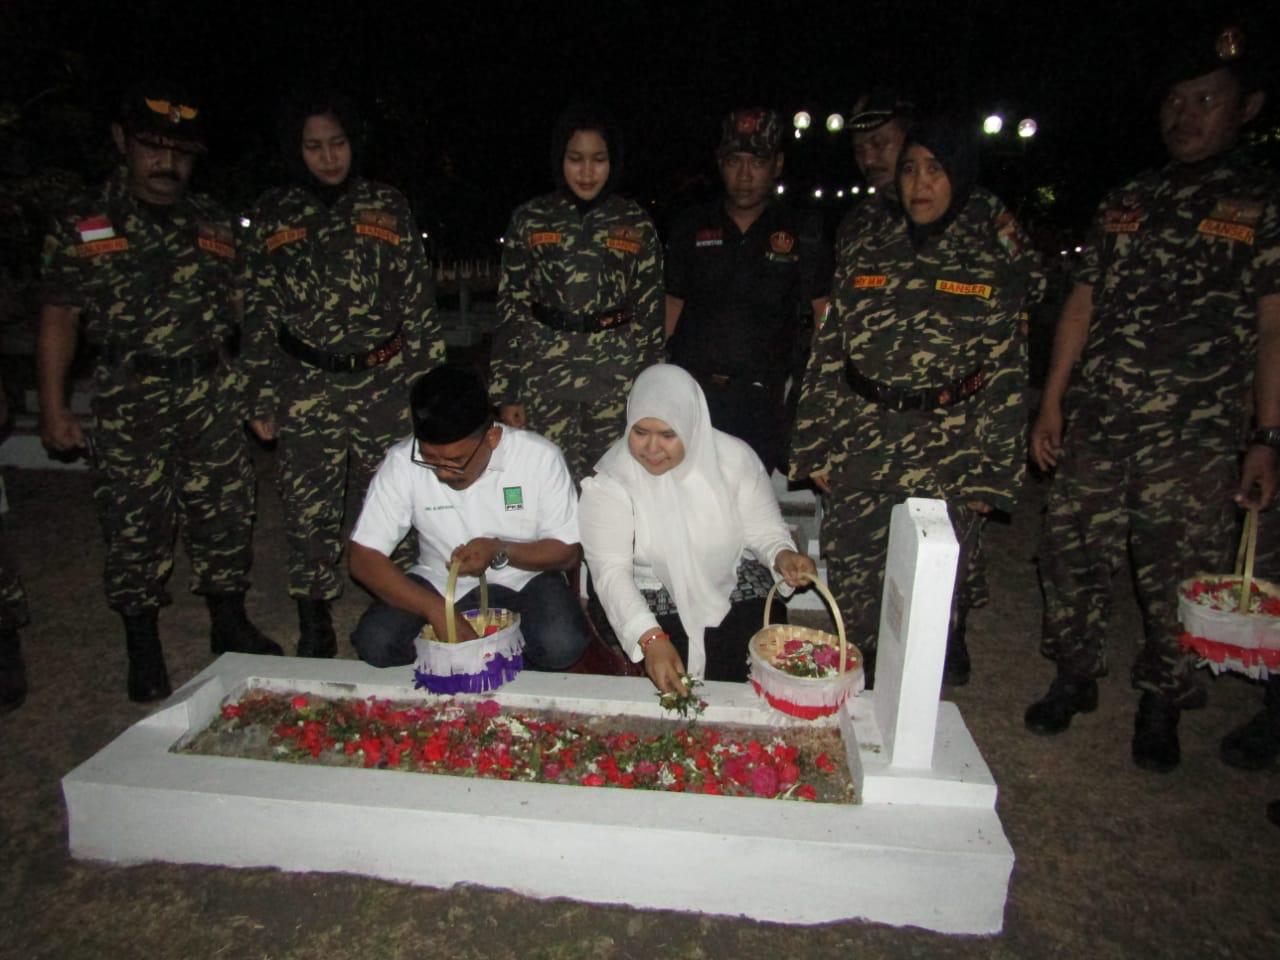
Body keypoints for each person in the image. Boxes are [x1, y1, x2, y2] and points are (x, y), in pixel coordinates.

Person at [1025, 22, 1278, 773]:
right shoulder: (1128, 199)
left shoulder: (1261, 205)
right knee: (1071, 552)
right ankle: (1073, 676)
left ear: (1247, 108)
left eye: (1206, 99)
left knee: (1178, 572)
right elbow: (1082, 302)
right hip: (1100, 421)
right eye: (1176, 99)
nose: (1186, 114)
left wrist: (1268, 435)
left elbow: (1273, 325)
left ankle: (1163, 698)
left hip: (1194, 436)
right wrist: (1052, 401)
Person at [37, 82, 280, 703]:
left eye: (180, 151)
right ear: (123, 142)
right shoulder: (84, 225)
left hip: (210, 389)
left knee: (226, 511)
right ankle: (141, 642)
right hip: (129, 393)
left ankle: (228, 620)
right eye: (152, 147)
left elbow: (247, 315)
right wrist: (55, 405)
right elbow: (60, 316)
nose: (166, 163)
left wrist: (255, 395)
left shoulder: (215, 224)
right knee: (134, 521)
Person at [790, 116, 1039, 690]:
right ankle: (860, 677)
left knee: (932, 587)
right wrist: (815, 444)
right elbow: (830, 350)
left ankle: (928, 665)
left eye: (935, 170)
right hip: (863, 438)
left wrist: (992, 476)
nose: (920, 184)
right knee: (853, 579)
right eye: (909, 170)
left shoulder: (989, 257)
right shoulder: (868, 245)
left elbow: (1006, 374)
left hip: (947, 446)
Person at [242, 90, 441, 658]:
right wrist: (259, 392)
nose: (328, 157)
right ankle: (313, 615)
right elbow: (259, 311)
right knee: (309, 506)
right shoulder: (276, 213)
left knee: (397, 497)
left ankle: (400, 604)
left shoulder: (388, 207)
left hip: (384, 381)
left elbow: (418, 305)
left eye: (337, 144)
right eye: (313, 147)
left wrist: (428, 390)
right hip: (306, 383)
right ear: (295, 150)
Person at [580, 364, 817, 693]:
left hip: (727, 574)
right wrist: (650, 638)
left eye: (667, 435)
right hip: (646, 590)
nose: (651, 448)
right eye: (640, 432)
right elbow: (610, 573)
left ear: (692, 427)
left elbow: (764, 531)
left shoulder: (734, 459)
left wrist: (783, 555)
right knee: (676, 674)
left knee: (753, 652)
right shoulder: (610, 482)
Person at [348, 364, 590, 670]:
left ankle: (493, 665)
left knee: (561, 642)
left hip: (524, 578)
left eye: (456, 461)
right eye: (429, 459)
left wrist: (500, 550)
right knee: (377, 642)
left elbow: (567, 552)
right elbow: (362, 557)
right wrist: (436, 610)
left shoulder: (538, 457)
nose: (442, 472)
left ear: (491, 437)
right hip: (438, 580)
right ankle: (458, 665)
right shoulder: (401, 462)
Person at [491, 103, 663, 484]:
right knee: (544, 482)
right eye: (576, 159)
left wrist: (653, 391)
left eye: (598, 160)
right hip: (544, 374)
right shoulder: (531, 218)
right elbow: (511, 307)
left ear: (612, 161)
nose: (587, 172)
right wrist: (508, 392)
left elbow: (650, 314)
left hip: (615, 377)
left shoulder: (634, 222)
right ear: (560, 160)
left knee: (612, 484)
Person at [664, 108, 832, 475]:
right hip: (692, 396)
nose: (743, 175)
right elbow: (671, 305)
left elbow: (824, 316)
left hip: (762, 403)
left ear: (777, 164)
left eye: (756, 161)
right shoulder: (691, 225)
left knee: (745, 517)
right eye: (733, 161)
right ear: (719, 163)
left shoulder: (802, 231)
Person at [835, 90, 915, 261]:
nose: (868, 160)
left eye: (878, 144)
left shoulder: (979, 216)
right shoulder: (856, 225)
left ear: (911, 138)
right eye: (859, 150)